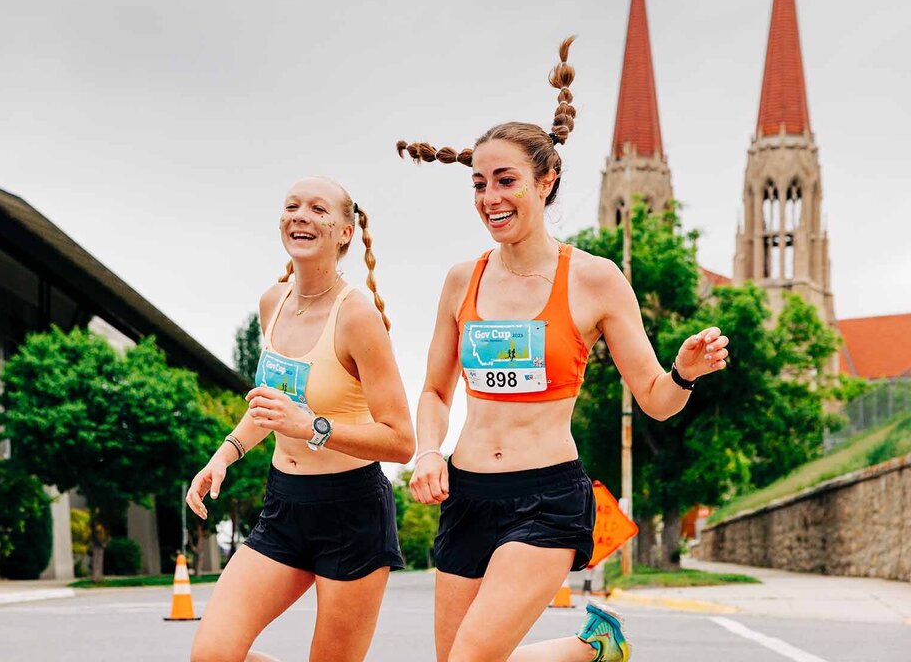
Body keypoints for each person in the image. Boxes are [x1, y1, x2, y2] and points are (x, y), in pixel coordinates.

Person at [398, 37, 730, 662]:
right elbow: (435, 391)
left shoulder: (595, 279)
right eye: (479, 185)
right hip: (466, 493)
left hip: (546, 498)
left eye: (507, 181)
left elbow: (656, 400)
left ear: (545, 181)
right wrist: (426, 451)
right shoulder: (459, 280)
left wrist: (683, 372)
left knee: (471, 661)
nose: (491, 198)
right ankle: (593, 649)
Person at [186, 176, 415, 662]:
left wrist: (313, 427)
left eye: (318, 209)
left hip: (352, 513)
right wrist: (224, 455)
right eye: (292, 206)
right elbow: (270, 410)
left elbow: (400, 441)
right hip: (284, 507)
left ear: (345, 232)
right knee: (213, 654)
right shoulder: (274, 302)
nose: (300, 216)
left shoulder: (357, 316)